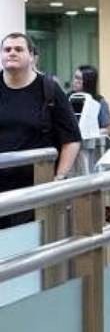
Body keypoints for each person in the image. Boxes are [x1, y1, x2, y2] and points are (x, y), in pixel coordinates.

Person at [0, 32, 81, 227]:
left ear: (32, 56)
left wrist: (59, 178)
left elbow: (71, 139)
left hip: (35, 188)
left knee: (26, 241)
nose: (12, 53)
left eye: (18, 49)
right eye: (7, 49)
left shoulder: (49, 89)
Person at [70, 64, 110, 135]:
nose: (75, 81)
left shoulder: (99, 101)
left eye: (78, 78)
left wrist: (92, 133)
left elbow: (109, 129)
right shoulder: (69, 98)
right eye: (75, 78)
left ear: (88, 81)